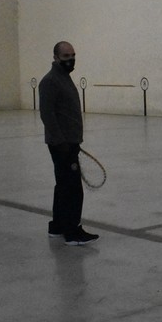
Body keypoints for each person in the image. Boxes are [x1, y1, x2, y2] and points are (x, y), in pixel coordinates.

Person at [39, 41, 99, 245]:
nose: (70, 60)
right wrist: (61, 142)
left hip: (69, 142)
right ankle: (72, 232)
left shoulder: (64, 78)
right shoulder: (50, 81)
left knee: (63, 185)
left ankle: (57, 226)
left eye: (73, 55)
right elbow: (48, 115)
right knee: (72, 188)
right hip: (61, 144)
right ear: (56, 58)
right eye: (66, 56)